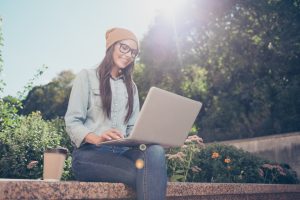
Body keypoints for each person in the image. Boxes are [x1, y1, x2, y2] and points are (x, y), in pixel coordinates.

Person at [64, 27, 167, 200]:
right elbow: (72, 122)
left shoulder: (131, 87)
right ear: (111, 47)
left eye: (133, 52)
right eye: (124, 47)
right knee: (151, 175)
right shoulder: (87, 76)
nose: (129, 55)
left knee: (155, 151)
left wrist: (152, 136)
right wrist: (97, 138)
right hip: (90, 154)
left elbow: (134, 128)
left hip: (122, 153)